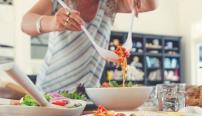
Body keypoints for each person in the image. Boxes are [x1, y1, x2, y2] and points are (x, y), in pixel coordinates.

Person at [22, 0, 156, 93]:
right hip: (51, 91)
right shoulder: (58, 2)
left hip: (89, 96)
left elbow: (150, 4)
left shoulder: (111, 3)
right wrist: (52, 22)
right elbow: (25, 23)